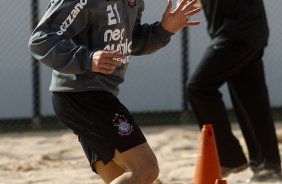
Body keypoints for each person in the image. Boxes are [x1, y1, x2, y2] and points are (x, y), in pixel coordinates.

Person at [28, 0, 200, 183]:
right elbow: (41, 40)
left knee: (124, 176)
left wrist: (164, 30)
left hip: (96, 95)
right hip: (81, 95)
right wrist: (87, 58)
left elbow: (131, 41)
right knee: (146, 169)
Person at [186, 0, 282, 182]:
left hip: (237, 31)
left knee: (198, 87)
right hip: (247, 28)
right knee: (251, 97)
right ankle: (267, 166)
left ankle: (230, 158)